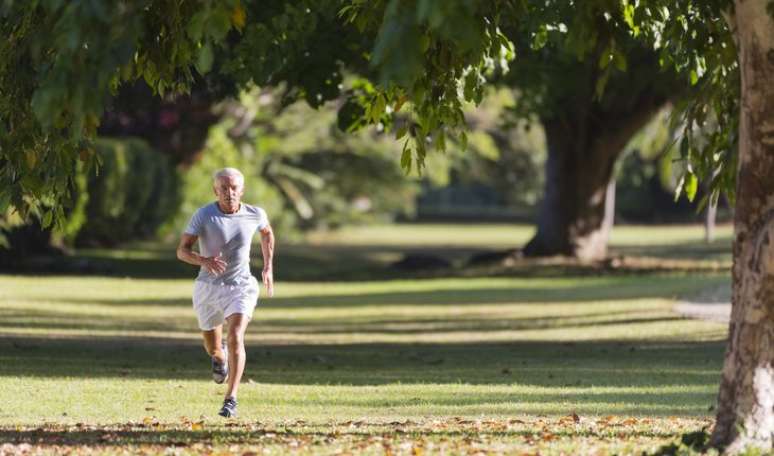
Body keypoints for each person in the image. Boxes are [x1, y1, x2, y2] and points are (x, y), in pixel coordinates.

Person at [176, 167, 275, 418]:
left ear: (242, 190)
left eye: (234, 188)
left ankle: (231, 398)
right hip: (208, 288)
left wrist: (268, 266)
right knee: (213, 347)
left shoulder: (255, 214)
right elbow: (182, 250)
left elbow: (267, 233)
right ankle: (219, 357)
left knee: (236, 336)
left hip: (241, 286)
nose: (229, 193)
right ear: (215, 190)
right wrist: (203, 260)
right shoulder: (204, 215)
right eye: (223, 188)